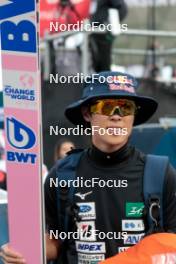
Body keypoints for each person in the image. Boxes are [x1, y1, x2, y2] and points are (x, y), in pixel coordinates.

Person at [1, 71, 176, 264]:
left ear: (133, 116)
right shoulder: (61, 174)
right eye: (107, 106)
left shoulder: (160, 174)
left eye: (125, 107)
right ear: (87, 113)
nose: (117, 116)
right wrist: (23, 250)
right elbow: (56, 242)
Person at [90, 0, 128, 72]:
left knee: (104, 61)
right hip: (96, 30)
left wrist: (108, 22)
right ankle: (101, 78)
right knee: (97, 61)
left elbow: (118, 5)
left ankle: (104, 80)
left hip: (104, 31)